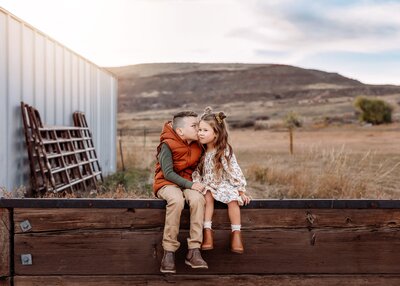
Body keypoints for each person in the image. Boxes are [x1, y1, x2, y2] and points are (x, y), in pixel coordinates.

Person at [153, 111, 208, 274]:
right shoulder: (167, 144)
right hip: (166, 182)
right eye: (194, 126)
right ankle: (169, 251)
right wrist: (190, 185)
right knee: (176, 201)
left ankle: (194, 250)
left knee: (198, 200)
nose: (199, 129)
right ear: (180, 131)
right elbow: (168, 172)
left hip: (189, 182)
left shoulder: (199, 144)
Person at [193, 107, 251, 254]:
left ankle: (236, 233)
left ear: (216, 133)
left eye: (205, 130)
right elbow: (197, 171)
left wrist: (241, 190)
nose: (200, 133)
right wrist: (196, 182)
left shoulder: (224, 151)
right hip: (208, 185)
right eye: (199, 129)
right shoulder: (201, 151)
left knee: (233, 199)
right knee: (207, 195)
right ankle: (207, 232)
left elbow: (234, 171)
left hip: (223, 184)